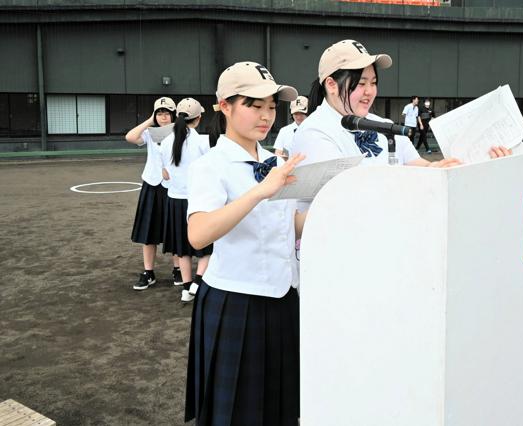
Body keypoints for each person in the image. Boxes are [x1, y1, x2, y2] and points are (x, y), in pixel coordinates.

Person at [184, 61, 306, 425]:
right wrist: (260, 191)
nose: (266, 115)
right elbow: (198, 233)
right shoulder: (211, 165)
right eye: (254, 105)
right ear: (224, 106)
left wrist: (340, 202)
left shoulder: (274, 161)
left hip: (284, 299)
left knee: (282, 409)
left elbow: (288, 224)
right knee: (238, 413)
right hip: (235, 302)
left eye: (271, 106)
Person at [291, 39, 494, 170]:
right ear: (331, 85)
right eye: (361, 84)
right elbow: (345, 195)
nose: (370, 92)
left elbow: (417, 164)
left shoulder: (384, 125)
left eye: (373, 83)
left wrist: (446, 166)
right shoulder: (314, 132)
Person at [125, 97, 182, 291]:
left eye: (167, 113)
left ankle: (178, 269)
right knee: (148, 231)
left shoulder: (181, 133)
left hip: (172, 186)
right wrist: (150, 120)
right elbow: (130, 137)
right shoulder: (149, 133)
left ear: (173, 115)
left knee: (174, 230)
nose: (163, 117)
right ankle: (148, 272)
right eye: (159, 113)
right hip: (151, 184)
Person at [159, 97, 212, 303]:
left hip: (175, 200)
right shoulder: (202, 142)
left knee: (182, 246)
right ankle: (198, 282)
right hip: (199, 201)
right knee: (207, 245)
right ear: (198, 119)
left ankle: (187, 287)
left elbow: (165, 174)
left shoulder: (165, 142)